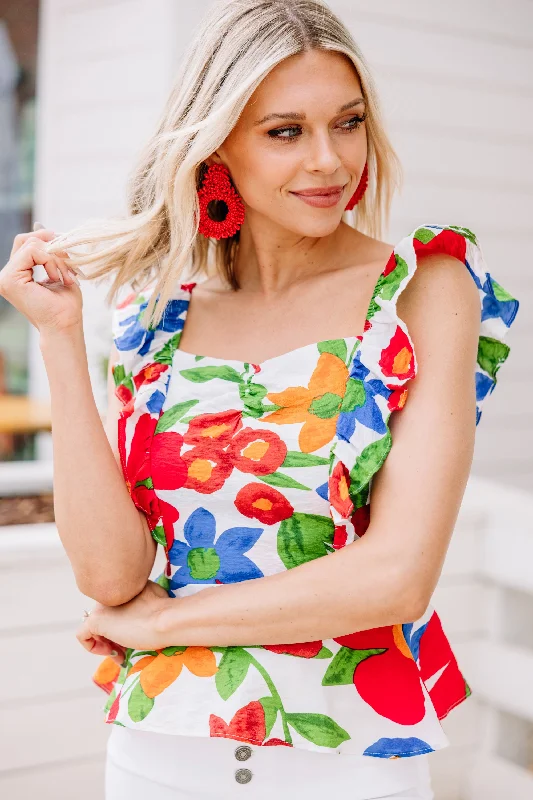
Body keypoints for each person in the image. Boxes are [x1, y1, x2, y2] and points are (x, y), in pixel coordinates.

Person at [0, 1, 520, 798]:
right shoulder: (155, 311)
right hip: (158, 756)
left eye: (346, 124)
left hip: (348, 760)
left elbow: (396, 577)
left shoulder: (420, 290)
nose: (328, 160)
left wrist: (163, 623)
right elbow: (110, 577)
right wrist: (61, 341)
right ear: (217, 145)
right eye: (285, 131)